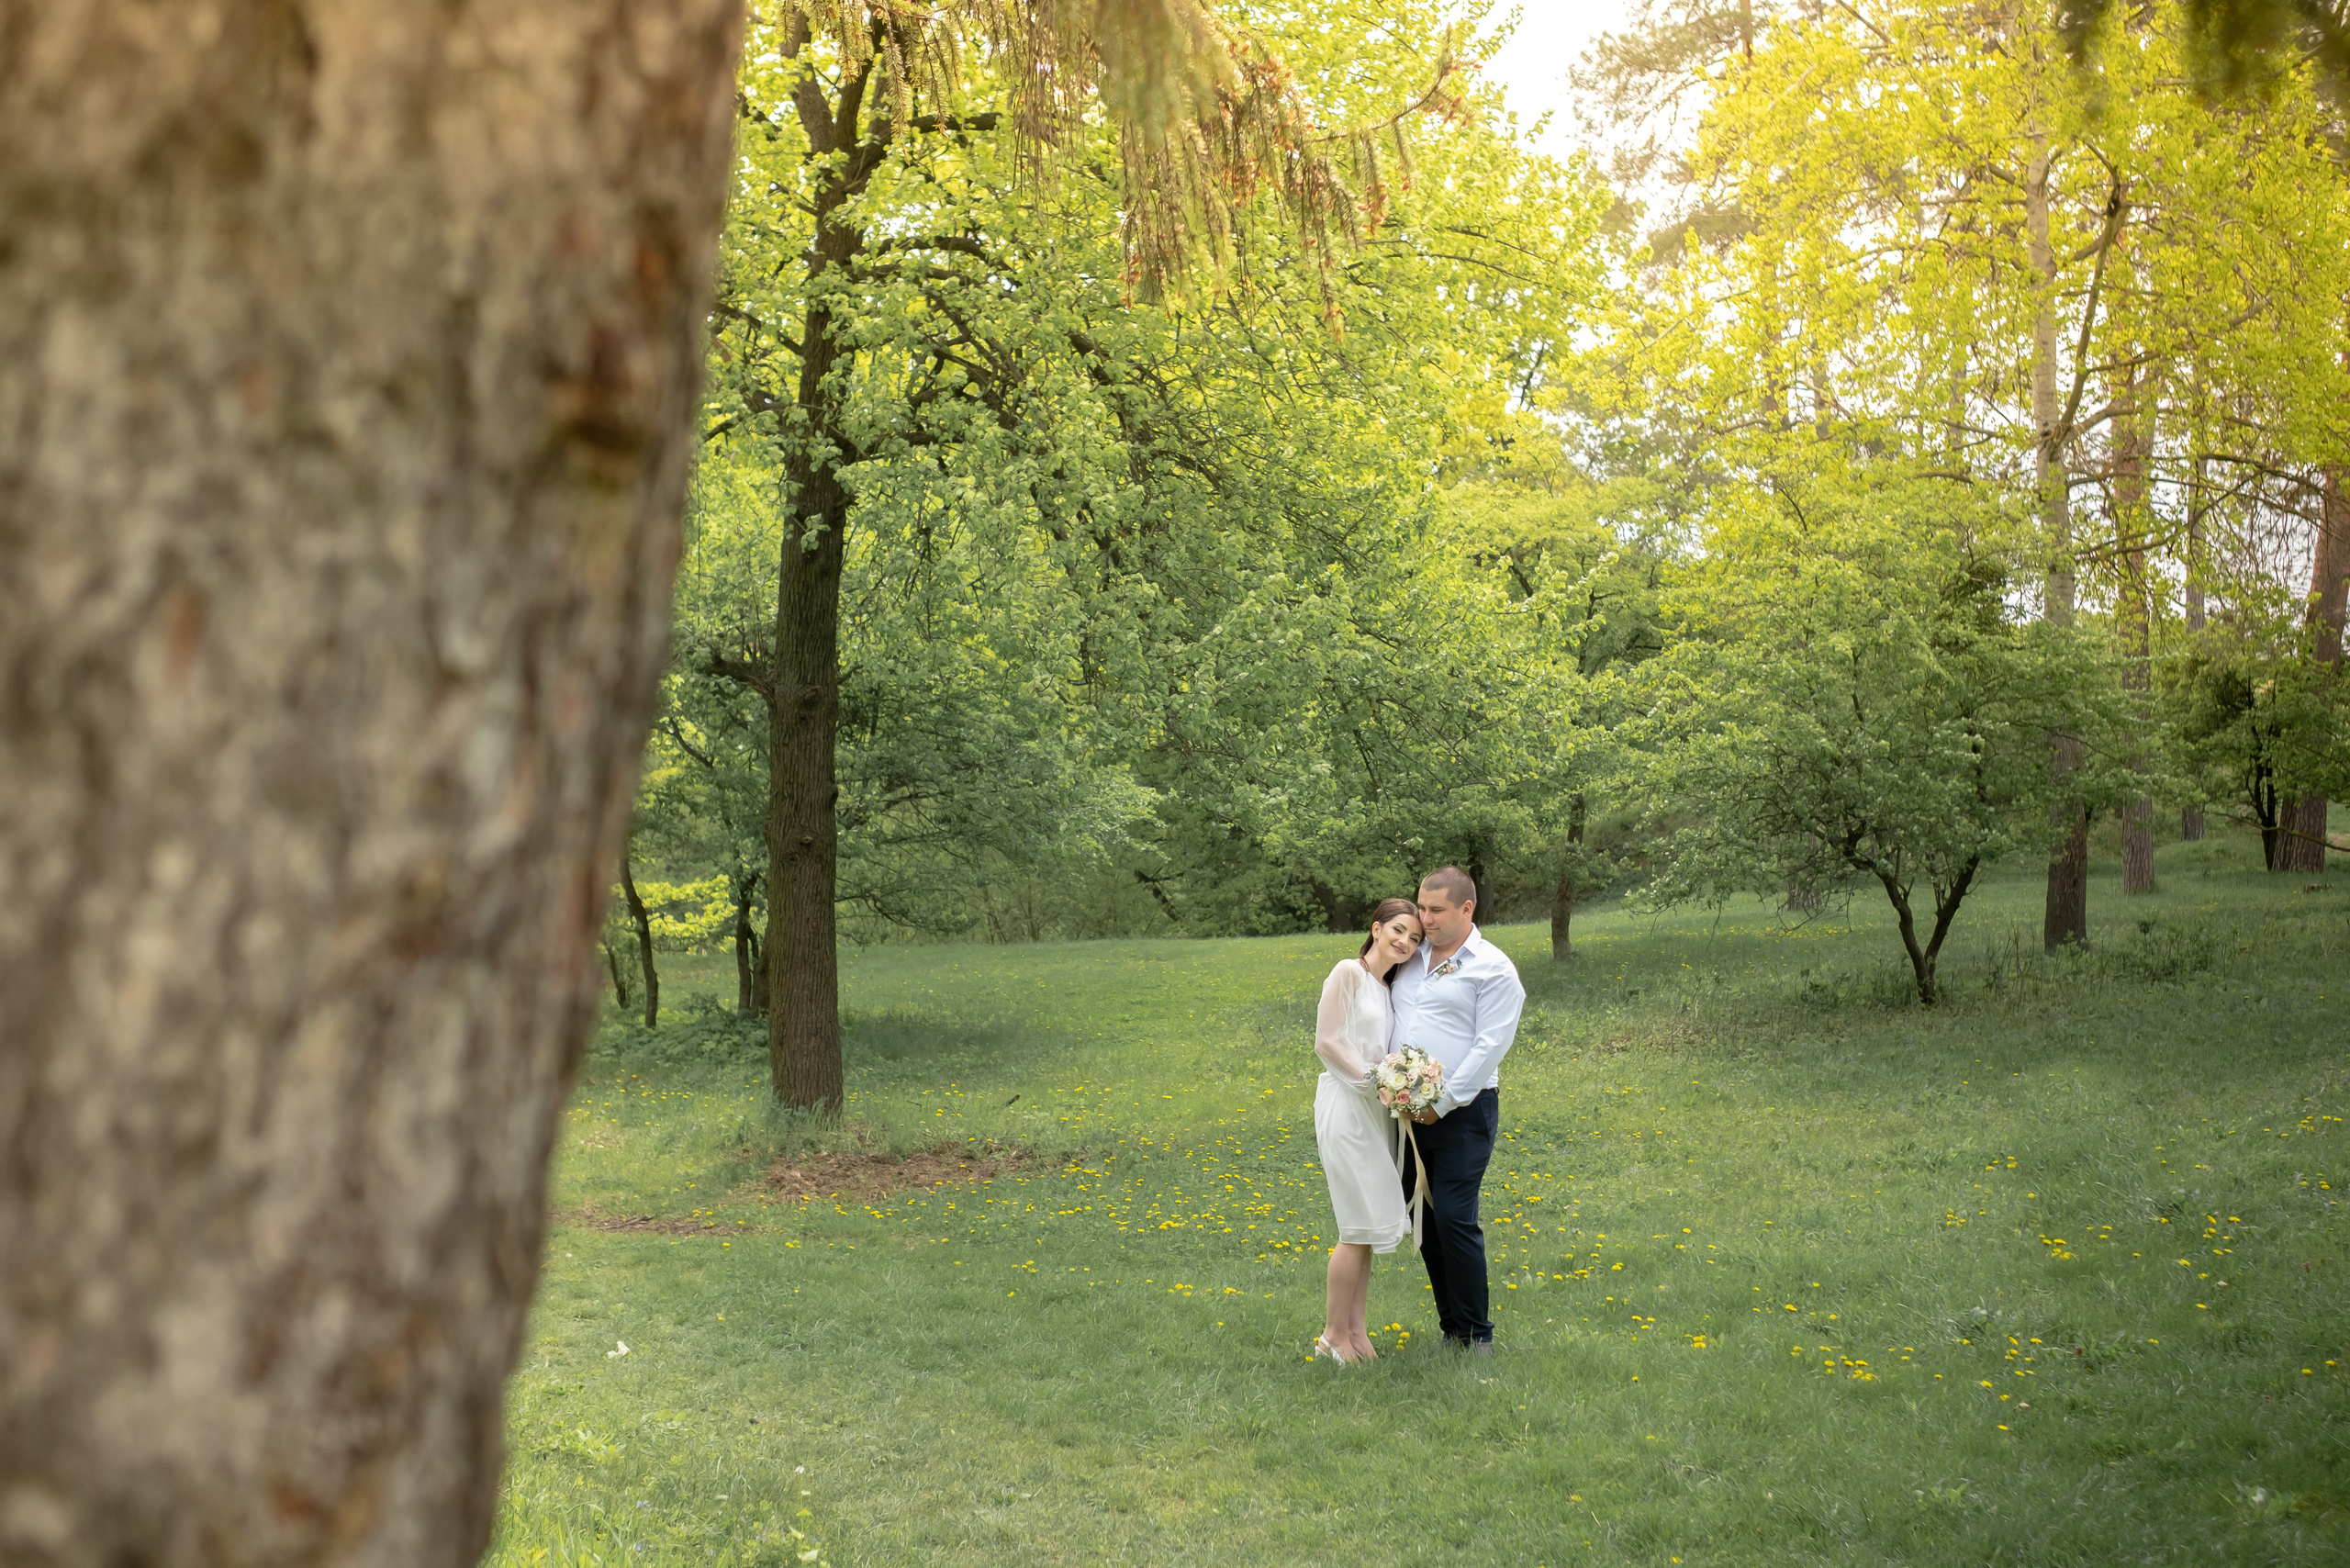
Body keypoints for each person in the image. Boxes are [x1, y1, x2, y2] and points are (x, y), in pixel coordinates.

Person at [1391, 866, 1525, 1355]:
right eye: (1421, 908)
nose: (1423, 919)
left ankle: (1478, 1334)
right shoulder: (1409, 957)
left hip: (1463, 1111)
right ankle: (1453, 1330)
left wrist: (1442, 1104)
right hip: (1404, 1110)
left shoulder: (1493, 968)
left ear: (1467, 909)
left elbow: (1490, 1046)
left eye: (1436, 910)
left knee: (1453, 1217)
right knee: (1422, 1221)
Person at [1309, 898, 1423, 1365]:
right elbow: (1327, 1041)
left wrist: (1397, 1085)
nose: (1405, 942)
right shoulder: (1348, 973)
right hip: (1348, 1105)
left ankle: (1356, 1330)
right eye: (1398, 930)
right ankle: (1332, 1335)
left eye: (1415, 938)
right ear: (1376, 928)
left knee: (1371, 1224)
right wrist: (1374, 1083)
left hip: (1377, 1113)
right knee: (1355, 1225)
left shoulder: (1385, 986)